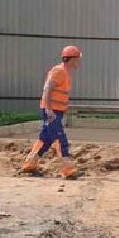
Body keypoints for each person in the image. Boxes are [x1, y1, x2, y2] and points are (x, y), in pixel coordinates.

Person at [21, 45, 82, 179]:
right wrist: (48, 109)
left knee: (46, 139)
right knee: (60, 138)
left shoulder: (64, 72)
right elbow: (47, 88)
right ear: (71, 59)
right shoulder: (59, 71)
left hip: (55, 111)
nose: (79, 62)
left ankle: (30, 163)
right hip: (51, 111)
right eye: (78, 59)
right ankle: (68, 169)